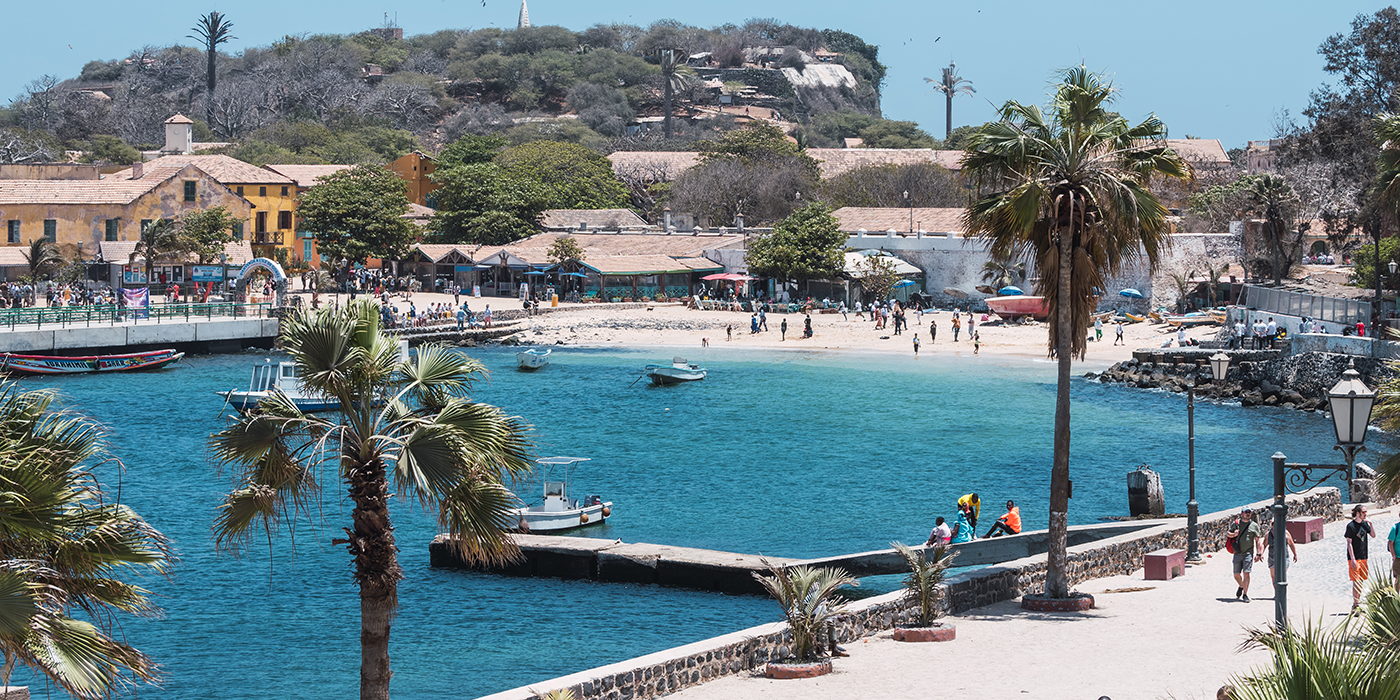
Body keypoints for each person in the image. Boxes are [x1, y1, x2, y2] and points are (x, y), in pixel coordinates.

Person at [1226, 508, 1263, 602]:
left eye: (1249, 512)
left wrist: (1258, 553)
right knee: (1236, 574)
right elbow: (1228, 534)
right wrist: (1233, 534)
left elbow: (1258, 540)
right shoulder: (1236, 524)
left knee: (1246, 573)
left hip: (1248, 553)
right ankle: (1241, 586)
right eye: (1246, 512)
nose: (1248, 514)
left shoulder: (1254, 525)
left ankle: (1245, 594)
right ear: (1241, 513)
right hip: (1237, 552)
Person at [1346, 504, 1377, 610]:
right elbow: (1349, 543)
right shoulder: (1351, 526)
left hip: (1364, 557)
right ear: (1358, 513)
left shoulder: (1364, 524)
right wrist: (1353, 559)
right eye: (1364, 512)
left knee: (1361, 580)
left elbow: (1373, 535)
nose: (1365, 514)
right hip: (1355, 558)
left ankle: (1357, 602)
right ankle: (1356, 605)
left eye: (1366, 512)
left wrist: (1371, 524)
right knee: (1356, 581)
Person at [1265, 526, 1297, 593]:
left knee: (1281, 574)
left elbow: (1291, 544)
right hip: (1272, 557)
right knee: (1273, 577)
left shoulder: (1285, 532)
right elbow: (1264, 544)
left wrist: (1295, 554)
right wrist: (1260, 554)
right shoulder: (1269, 534)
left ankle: (1282, 592)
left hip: (1284, 557)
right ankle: (1277, 592)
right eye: (1273, 524)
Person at [1388, 515, 1400, 588]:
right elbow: (1390, 543)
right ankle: (1397, 597)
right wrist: (1394, 555)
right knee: (1398, 580)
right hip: (1398, 558)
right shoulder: (1395, 528)